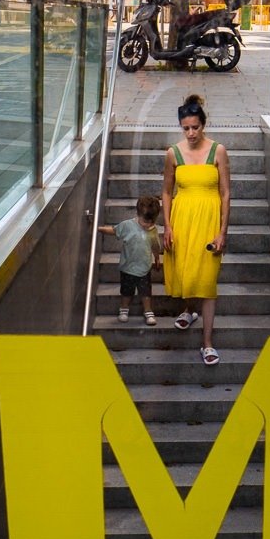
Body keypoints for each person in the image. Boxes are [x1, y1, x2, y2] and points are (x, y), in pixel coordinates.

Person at [162, 94, 230, 366]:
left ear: (204, 124)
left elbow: (226, 193)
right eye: (186, 128)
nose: (190, 133)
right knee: (187, 270)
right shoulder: (173, 153)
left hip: (209, 221)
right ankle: (189, 310)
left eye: (195, 127)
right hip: (182, 220)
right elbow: (166, 192)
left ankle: (207, 343)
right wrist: (167, 226)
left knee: (207, 281)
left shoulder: (218, 151)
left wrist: (223, 231)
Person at [97, 195, 162, 326]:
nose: (148, 225)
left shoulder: (153, 231)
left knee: (146, 293)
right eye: (145, 222)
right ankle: (124, 309)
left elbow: (155, 246)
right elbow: (114, 230)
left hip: (144, 268)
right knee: (126, 292)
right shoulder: (127, 225)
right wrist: (100, 229)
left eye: (151, 222)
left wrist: (157, 258)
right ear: (137, 215)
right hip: (127, 268)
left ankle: (148, 311)